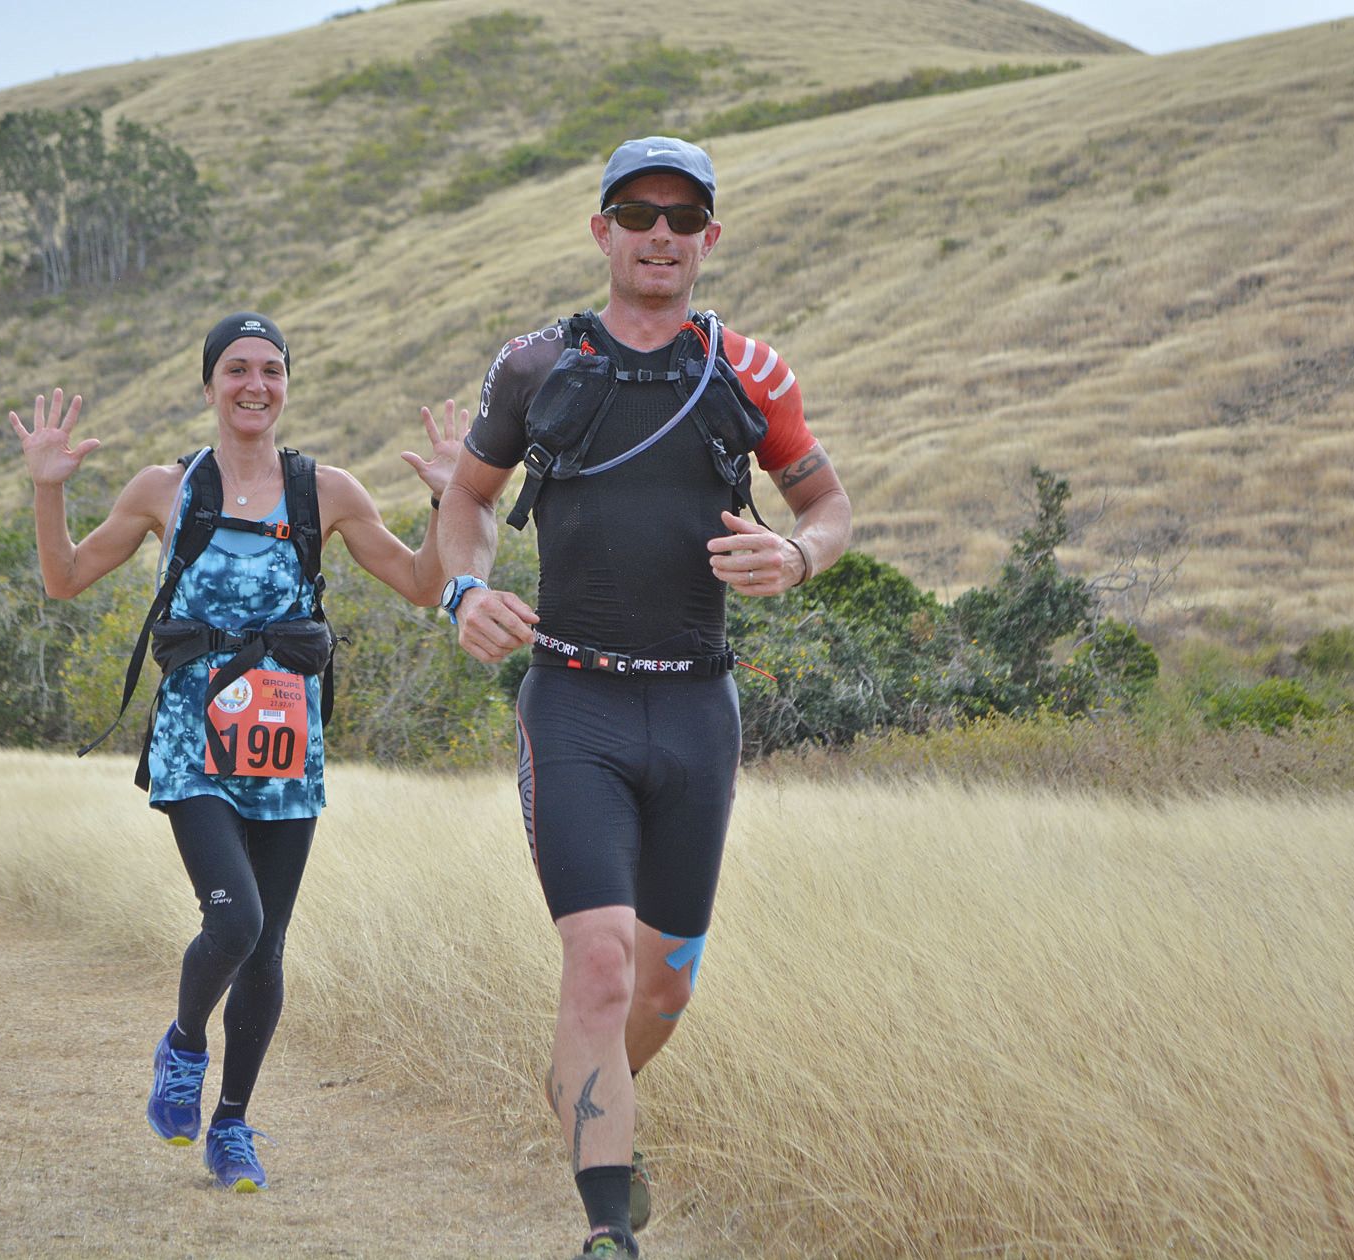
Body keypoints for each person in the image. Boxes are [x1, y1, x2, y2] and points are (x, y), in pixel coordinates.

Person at [431, 137, 852, 1260]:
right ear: (601, 231)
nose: (659, 234)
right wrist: (465, 589)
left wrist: (797, 557)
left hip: (698, 712)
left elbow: (830, 509)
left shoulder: (751, 373)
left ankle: (584, 1079)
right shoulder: (534, 366)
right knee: (603, 959)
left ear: (708, 238)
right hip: (575, 703)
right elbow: (467, 503)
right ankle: (608, 1231)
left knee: (659, 989)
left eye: (682, 218)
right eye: (637, 213)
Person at [11, 312, 460, 1191]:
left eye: (272, 370)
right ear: (210, 384)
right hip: (192, 741)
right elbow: (64, 577)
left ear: (288, 384)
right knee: (237, 921)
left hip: (287, 742)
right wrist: (49, 487)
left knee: (268, 947)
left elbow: (419, 584)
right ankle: (183, 1049)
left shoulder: (325, 491)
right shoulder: (163, 489)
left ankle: (233, 1127)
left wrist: (447, 500)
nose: (255, 385)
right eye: (237, 370)